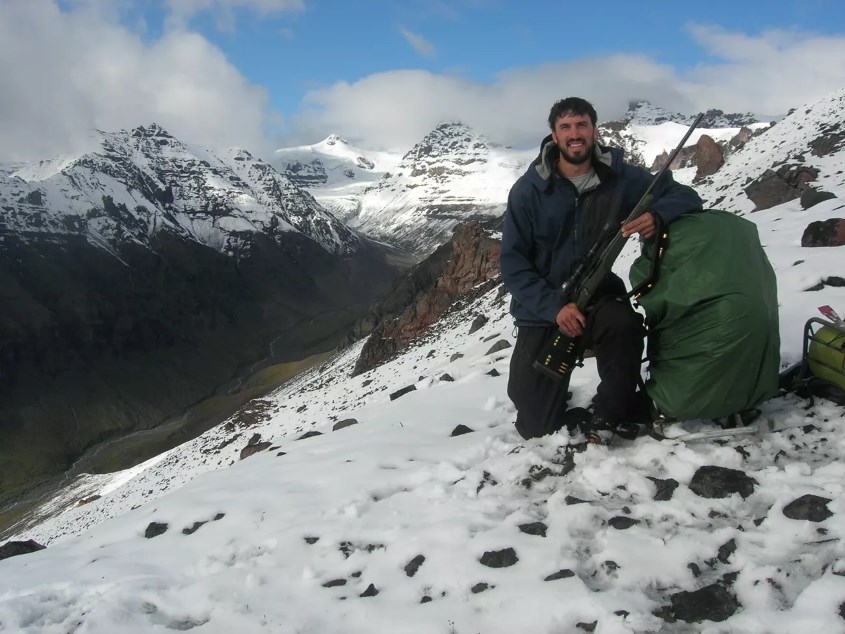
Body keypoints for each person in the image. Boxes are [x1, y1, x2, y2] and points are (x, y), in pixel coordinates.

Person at [500, 97, 703, 443]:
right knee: (533, 423)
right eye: (566, 127)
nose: (574, 134)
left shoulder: (621, 177)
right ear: (554, 135)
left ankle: (609, 412)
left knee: (623, 325)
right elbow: (513, 264)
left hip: (597, 296)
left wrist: (657, 216)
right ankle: (555, 400)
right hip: (544, 309)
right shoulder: (529, 189)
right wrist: (554, 308)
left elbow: (684, 195)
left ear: (594, 131)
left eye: (582, 125)